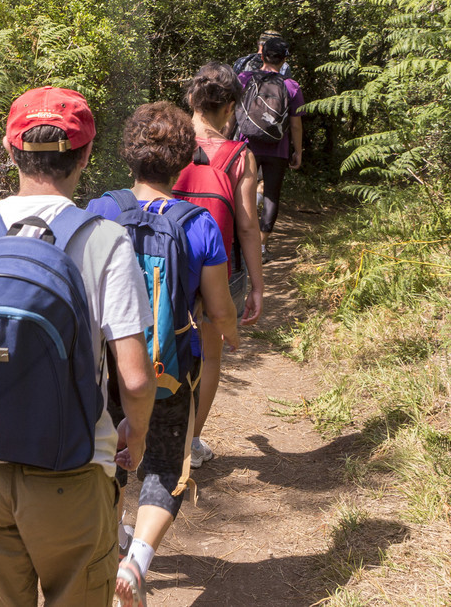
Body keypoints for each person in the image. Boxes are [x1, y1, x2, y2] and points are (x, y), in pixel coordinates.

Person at [0, 87, 157, 607]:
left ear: (10, 151)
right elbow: (136, 378)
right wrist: (133, 439)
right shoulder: (105, 239)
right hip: (73, 473)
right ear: (86, 155)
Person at [88, 103, 241, 606]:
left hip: (103, 364)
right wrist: (233, 335)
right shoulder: (199, 225)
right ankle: (139, 560)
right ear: (184, 160)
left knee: (106, 457)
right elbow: (218, 309)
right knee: (164, 464)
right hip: (169, 368)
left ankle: (112, 550)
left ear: (128, 155)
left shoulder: (99, 211)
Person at [177, 62, 265, 466]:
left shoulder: (166, 144)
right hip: (219, 269)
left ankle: (149, 431)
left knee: (161, 344)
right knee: (210, 357)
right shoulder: (239, 157)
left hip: (167, 265)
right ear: (230, 107)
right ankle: (191, 442)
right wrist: (257, 286)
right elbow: (247, 228)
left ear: (192, 100)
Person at [237, 33, 305, 238]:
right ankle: (262, 244)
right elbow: (295, 125)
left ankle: (241, 241)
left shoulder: (243, 79)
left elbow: (232, 112)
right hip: (278, 148)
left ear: (263, 55)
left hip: (247, 145)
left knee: (242, 192)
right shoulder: (292, 86)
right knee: (271, 196)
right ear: (284, 59)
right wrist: (298, 152)